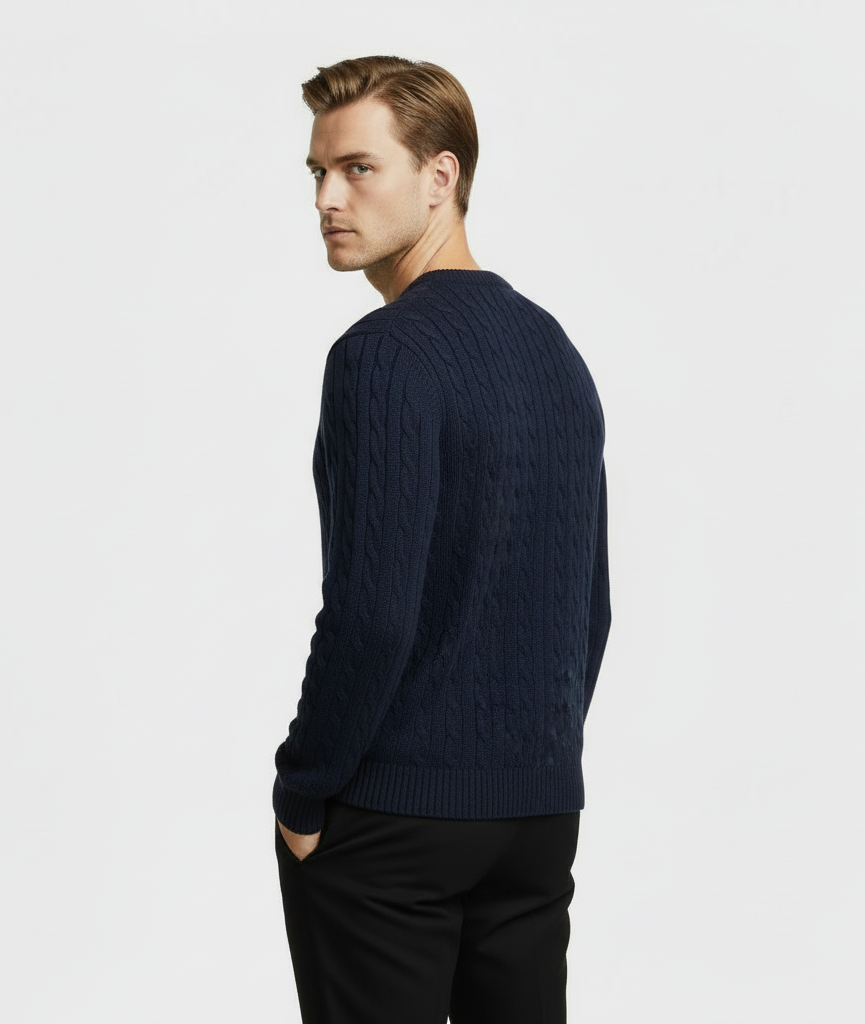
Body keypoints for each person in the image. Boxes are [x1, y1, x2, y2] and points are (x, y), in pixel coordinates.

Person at [272, 55, 611, 1024]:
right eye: (318, 172)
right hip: (535, 817)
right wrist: (530, 761)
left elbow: (373, 615)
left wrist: (303, 790)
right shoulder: (552, 347)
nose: (327, 198)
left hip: (393, 822)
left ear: (440, 176)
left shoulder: (381, 355)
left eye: (358, 168)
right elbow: (590, 607)